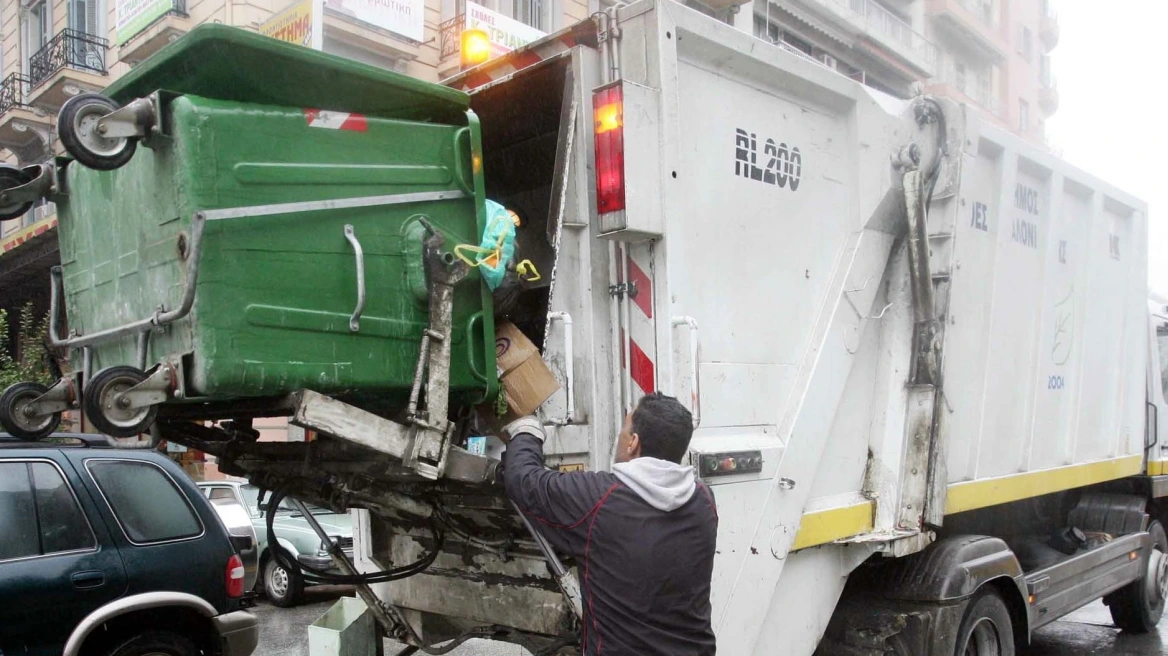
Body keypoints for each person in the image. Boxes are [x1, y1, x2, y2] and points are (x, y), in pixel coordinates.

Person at [502, 392, 718, 656]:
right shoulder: (704, 501)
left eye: (624, 431)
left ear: (633, 443)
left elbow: (523, 479)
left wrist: (527, 431)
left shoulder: (599, 501)